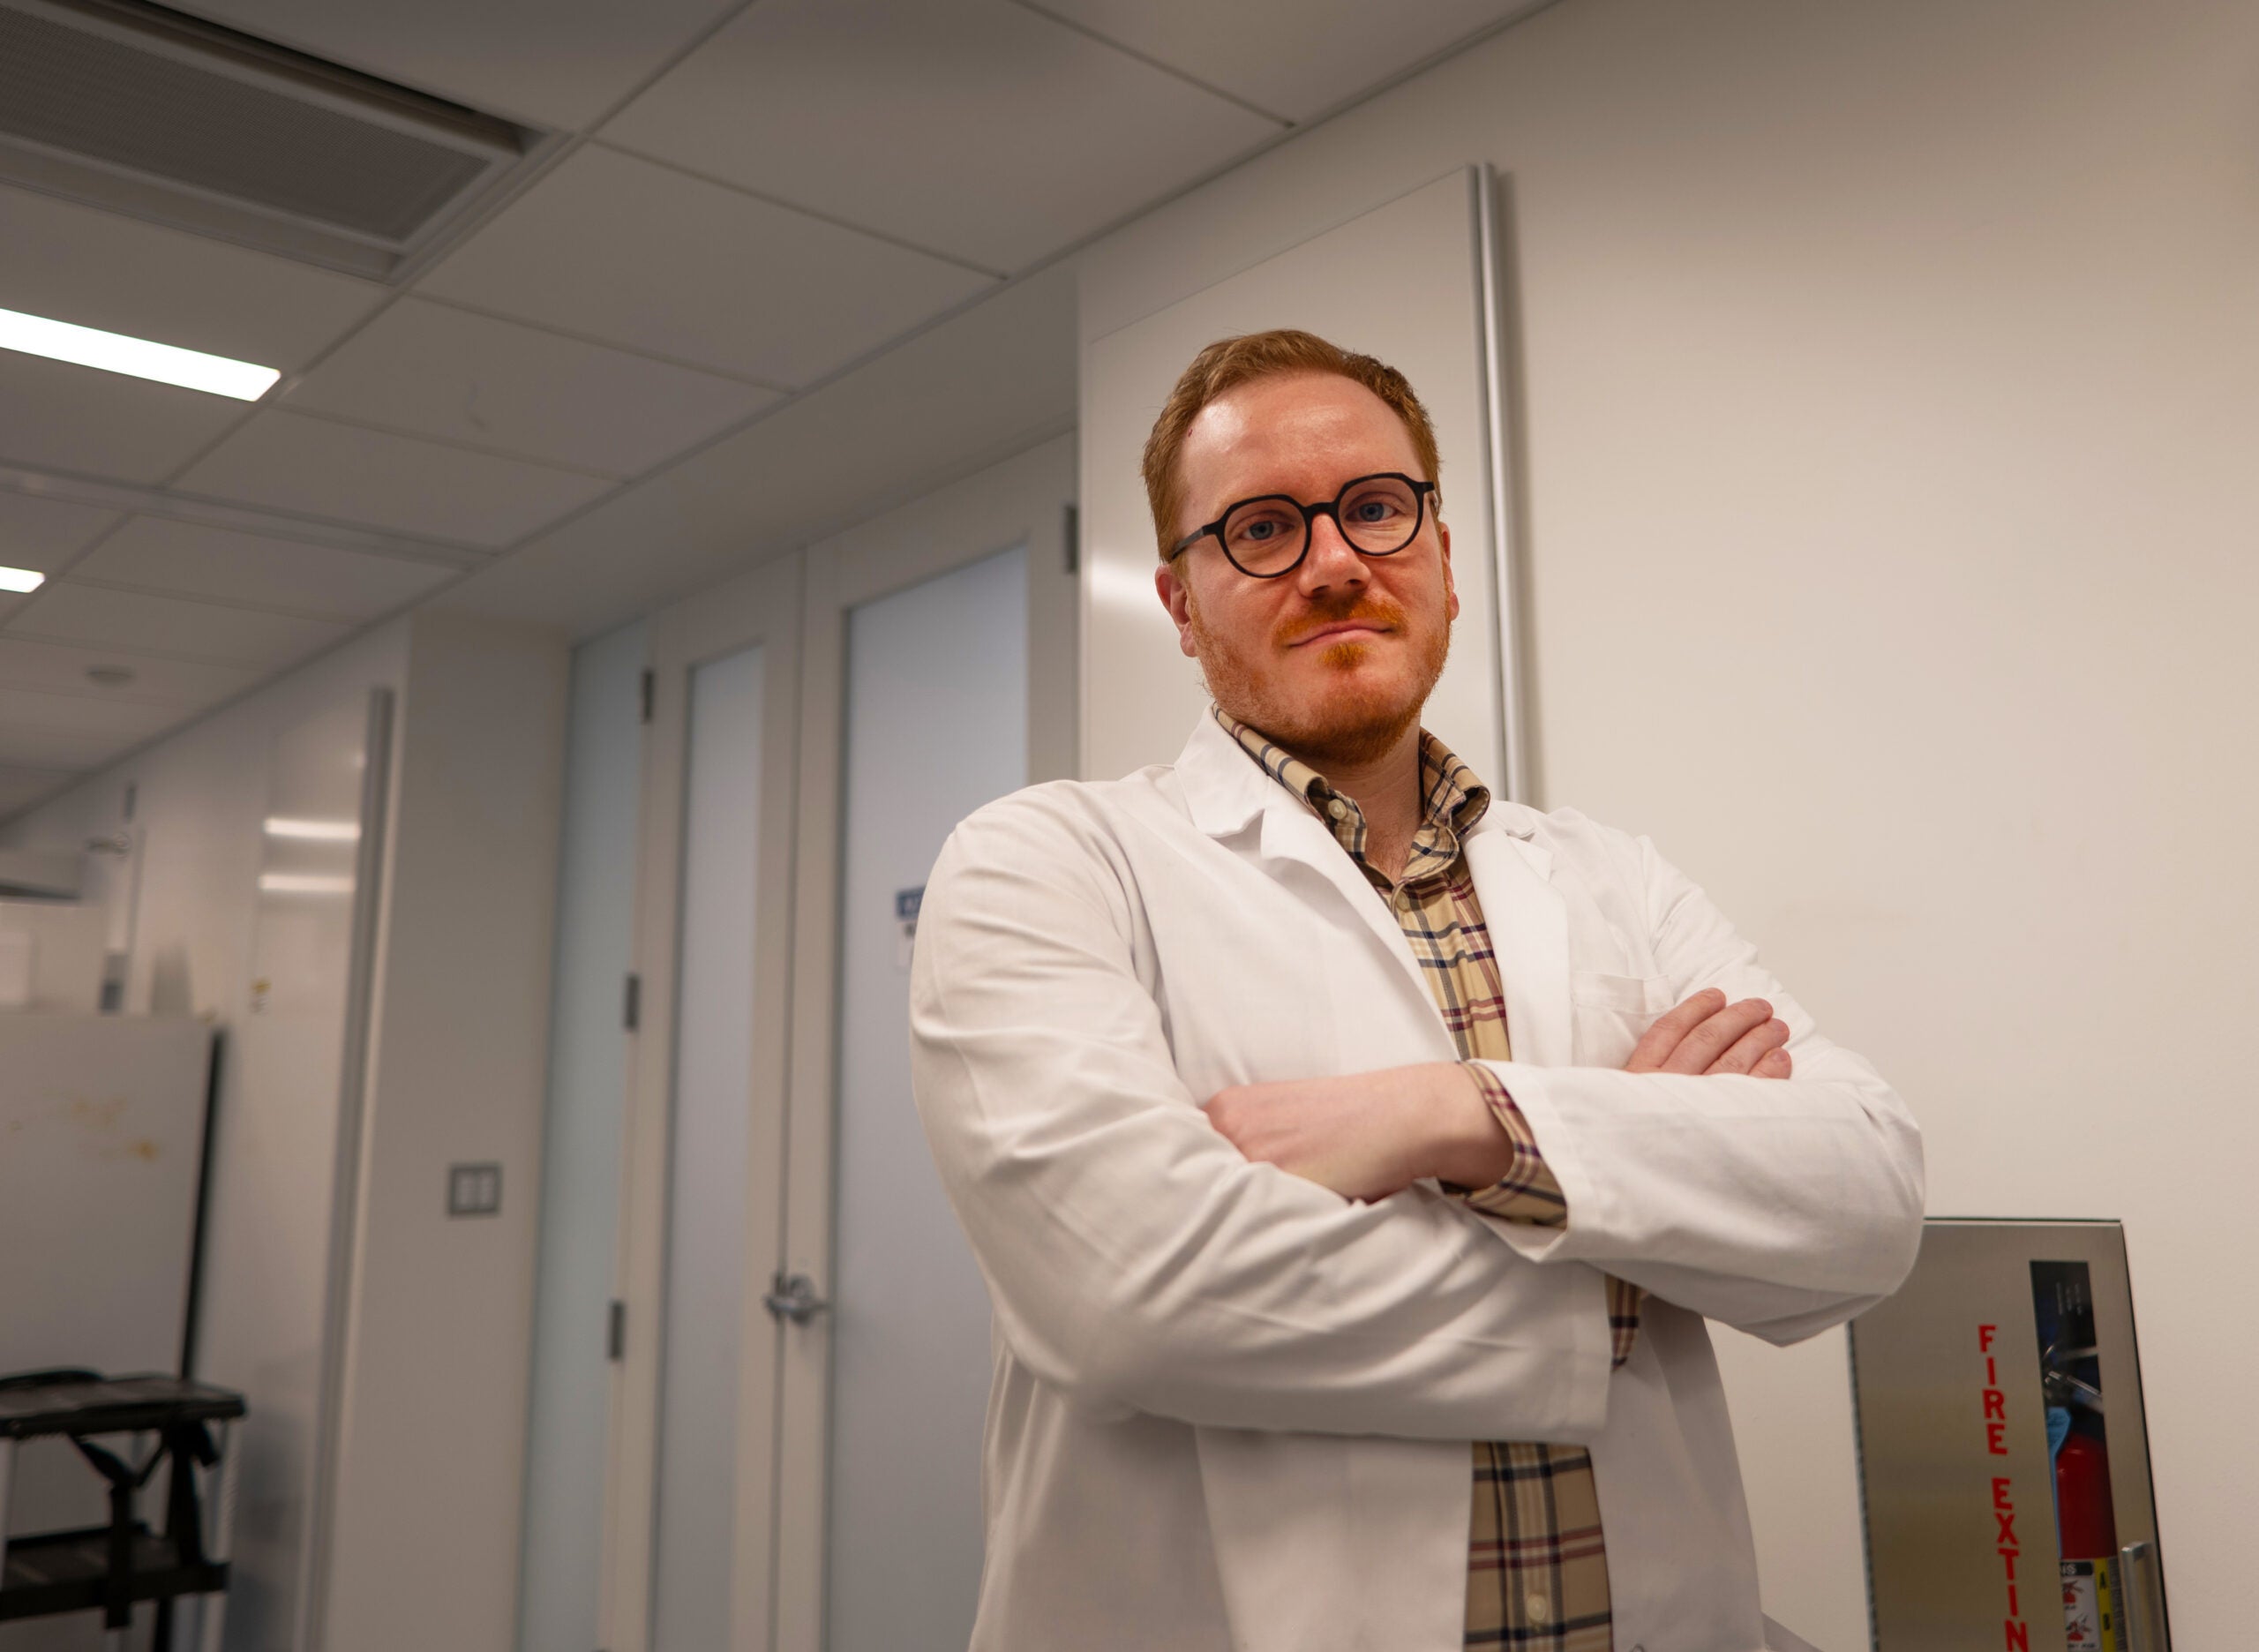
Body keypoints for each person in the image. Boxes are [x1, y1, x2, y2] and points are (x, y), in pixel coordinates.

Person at [907, 328, 1923, 1652]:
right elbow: (1141, 1295)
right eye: (1263, 528)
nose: (1336, 562)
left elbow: (1869, 1193)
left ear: (1441, 556)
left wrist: (1463, 1116)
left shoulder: (1614, 878)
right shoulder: (1046, 863)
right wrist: (1631, 1231)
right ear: (1179, 603)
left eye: (1378, 509)